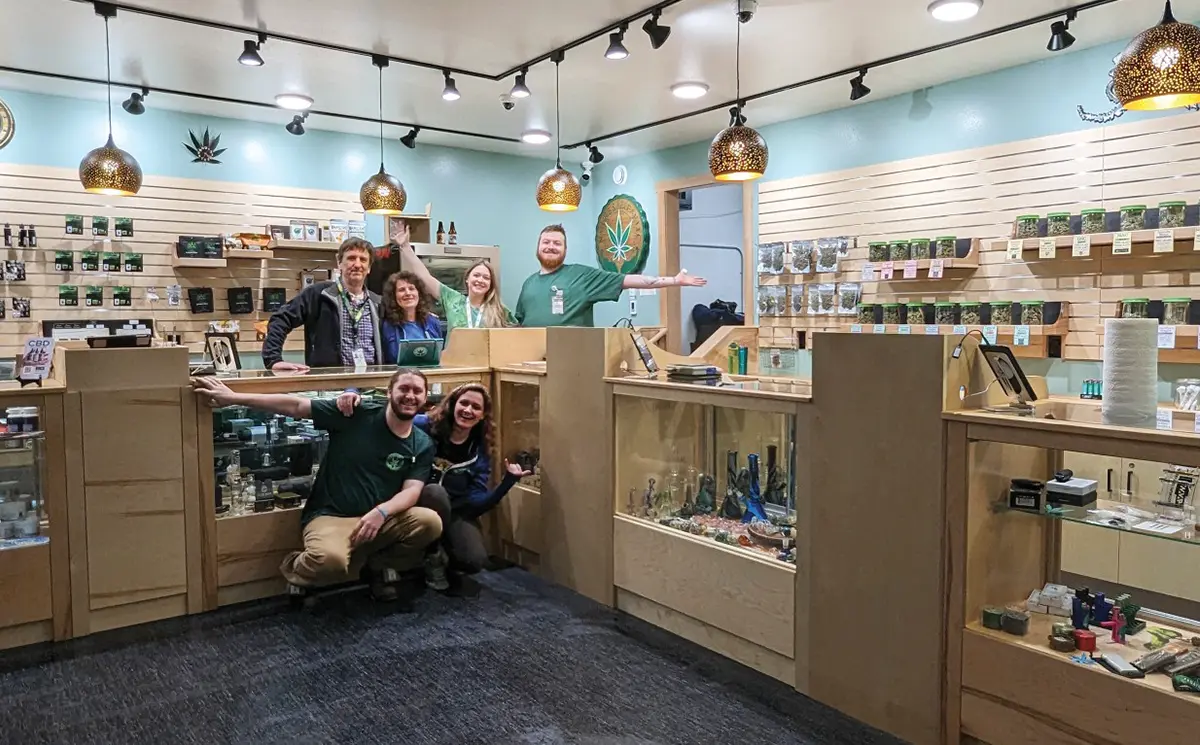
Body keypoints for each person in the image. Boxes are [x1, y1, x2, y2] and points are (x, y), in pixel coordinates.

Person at [191, 369, 441, 603]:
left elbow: (411, 491)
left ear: (425, 397)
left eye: (417, 391)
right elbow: (297, 406)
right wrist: (234, 398)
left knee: (430, 522)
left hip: (379, 519)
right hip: (331, 515)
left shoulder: (421, 443)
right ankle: (297, 569)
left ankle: (378, 565)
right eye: (404, 389)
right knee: (329, 561)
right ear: (389, 393)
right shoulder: (357, 414)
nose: (410, 396)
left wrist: (381, 512)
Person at [337, 382, 527, 593]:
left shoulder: (479, 448)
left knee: (474, 561)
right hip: (414, 502)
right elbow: (388, 412)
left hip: (454, 511)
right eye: (463, 403)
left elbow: (475, 505)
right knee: (435, 492)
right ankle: (433, 554)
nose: (467, 410)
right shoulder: (424, 425)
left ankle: (439, 551)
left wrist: (508, 482)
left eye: (475, 407)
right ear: (453, 404)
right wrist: (352, 392)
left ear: (482, 415)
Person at [514, 224, 708, 328]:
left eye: (557, 243)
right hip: (533, 362)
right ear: (538, 247)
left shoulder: (581, 275)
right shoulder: (528, 284)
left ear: (565, 249)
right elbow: (518, 323)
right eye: (546, 242)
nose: (550, 246)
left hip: (573, 357)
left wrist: (674, 281)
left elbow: (627, 280)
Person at [262, 237, 382, 372]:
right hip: (329, 386)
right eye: (351, 258)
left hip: (369, 383)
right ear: (339, 263)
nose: (357, 264)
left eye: (363, 259)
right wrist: (273, 360)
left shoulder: (377, 303)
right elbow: (280, 319)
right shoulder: (318, 294)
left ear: (369, 267)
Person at [386, 223, 516, 330]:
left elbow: (518, 335)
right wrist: (405, 246)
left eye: (486, 278)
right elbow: (425, 277)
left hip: (486, 362)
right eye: (476, 275)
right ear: (467, 279)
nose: (480, 280)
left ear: (491, 284)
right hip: (454, 361)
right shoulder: (453, 300)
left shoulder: (499, 310)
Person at [380, 271, 445, 363]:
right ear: (393, 296)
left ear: (419, 293)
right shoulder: (386, 325)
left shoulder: (433, 322)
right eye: (401, 290)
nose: (408, 293)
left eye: (411, 288)